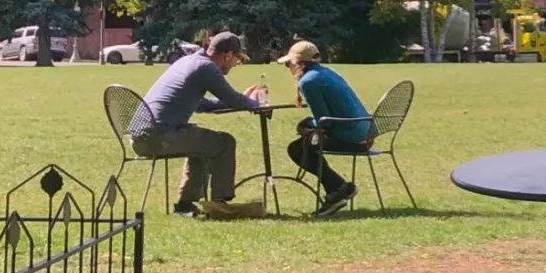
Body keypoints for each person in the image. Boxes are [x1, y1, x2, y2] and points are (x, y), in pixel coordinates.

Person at [129, 31, 269, 219]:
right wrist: (256, 104)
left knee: (202, 143)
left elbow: (203, 104)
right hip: (160, 136)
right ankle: (219, 203)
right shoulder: (206, 67)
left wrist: (243, 101)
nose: (236, 64)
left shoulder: (188, 61)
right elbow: (232, 99)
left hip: (140, 137)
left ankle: (185, 205)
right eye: (237, 59)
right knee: (224, 142)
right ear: (228, 55)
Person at [281, 40, 370, 217]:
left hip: (352, 137)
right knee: (305, 144)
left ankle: (338, 189)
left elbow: (324, 122)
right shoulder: (327, 72)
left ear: (299, 63)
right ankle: (338, 188)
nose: (287, 68)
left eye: (288, 64)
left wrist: (307, 124)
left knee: (297, 149)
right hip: (365, 132)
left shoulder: (308, 81)